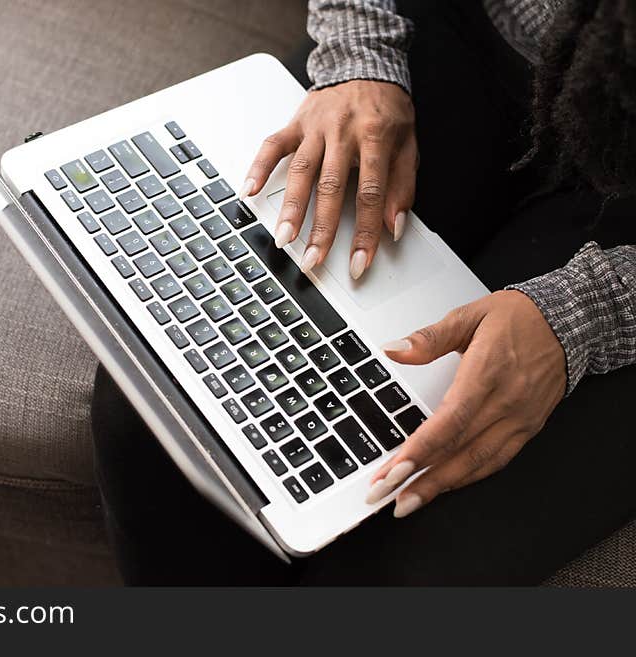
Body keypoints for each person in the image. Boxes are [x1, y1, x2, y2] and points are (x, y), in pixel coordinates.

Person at [91, 0, 636, 584]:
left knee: (406, 558)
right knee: (159, 417)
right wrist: (359, 53)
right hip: (468, 32)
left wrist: (589, 312)